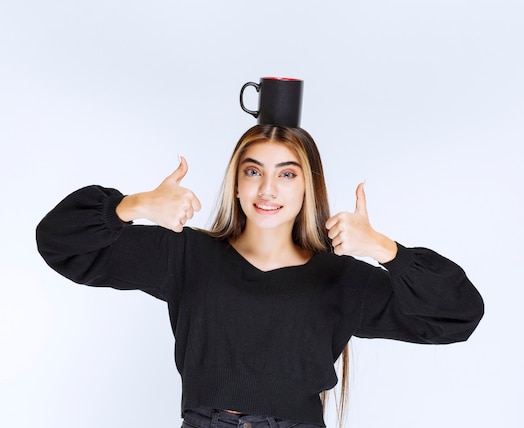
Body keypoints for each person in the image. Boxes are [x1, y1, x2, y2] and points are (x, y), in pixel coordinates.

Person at [36, 124, 484, 428]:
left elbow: (458, 316)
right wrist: (132, 206)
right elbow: (60, 243)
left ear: (308, 186)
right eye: (254, 171)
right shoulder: (187, 255)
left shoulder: (344, 280)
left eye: (286, 174)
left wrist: (387, 251)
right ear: (236, 182)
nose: (268, 190)